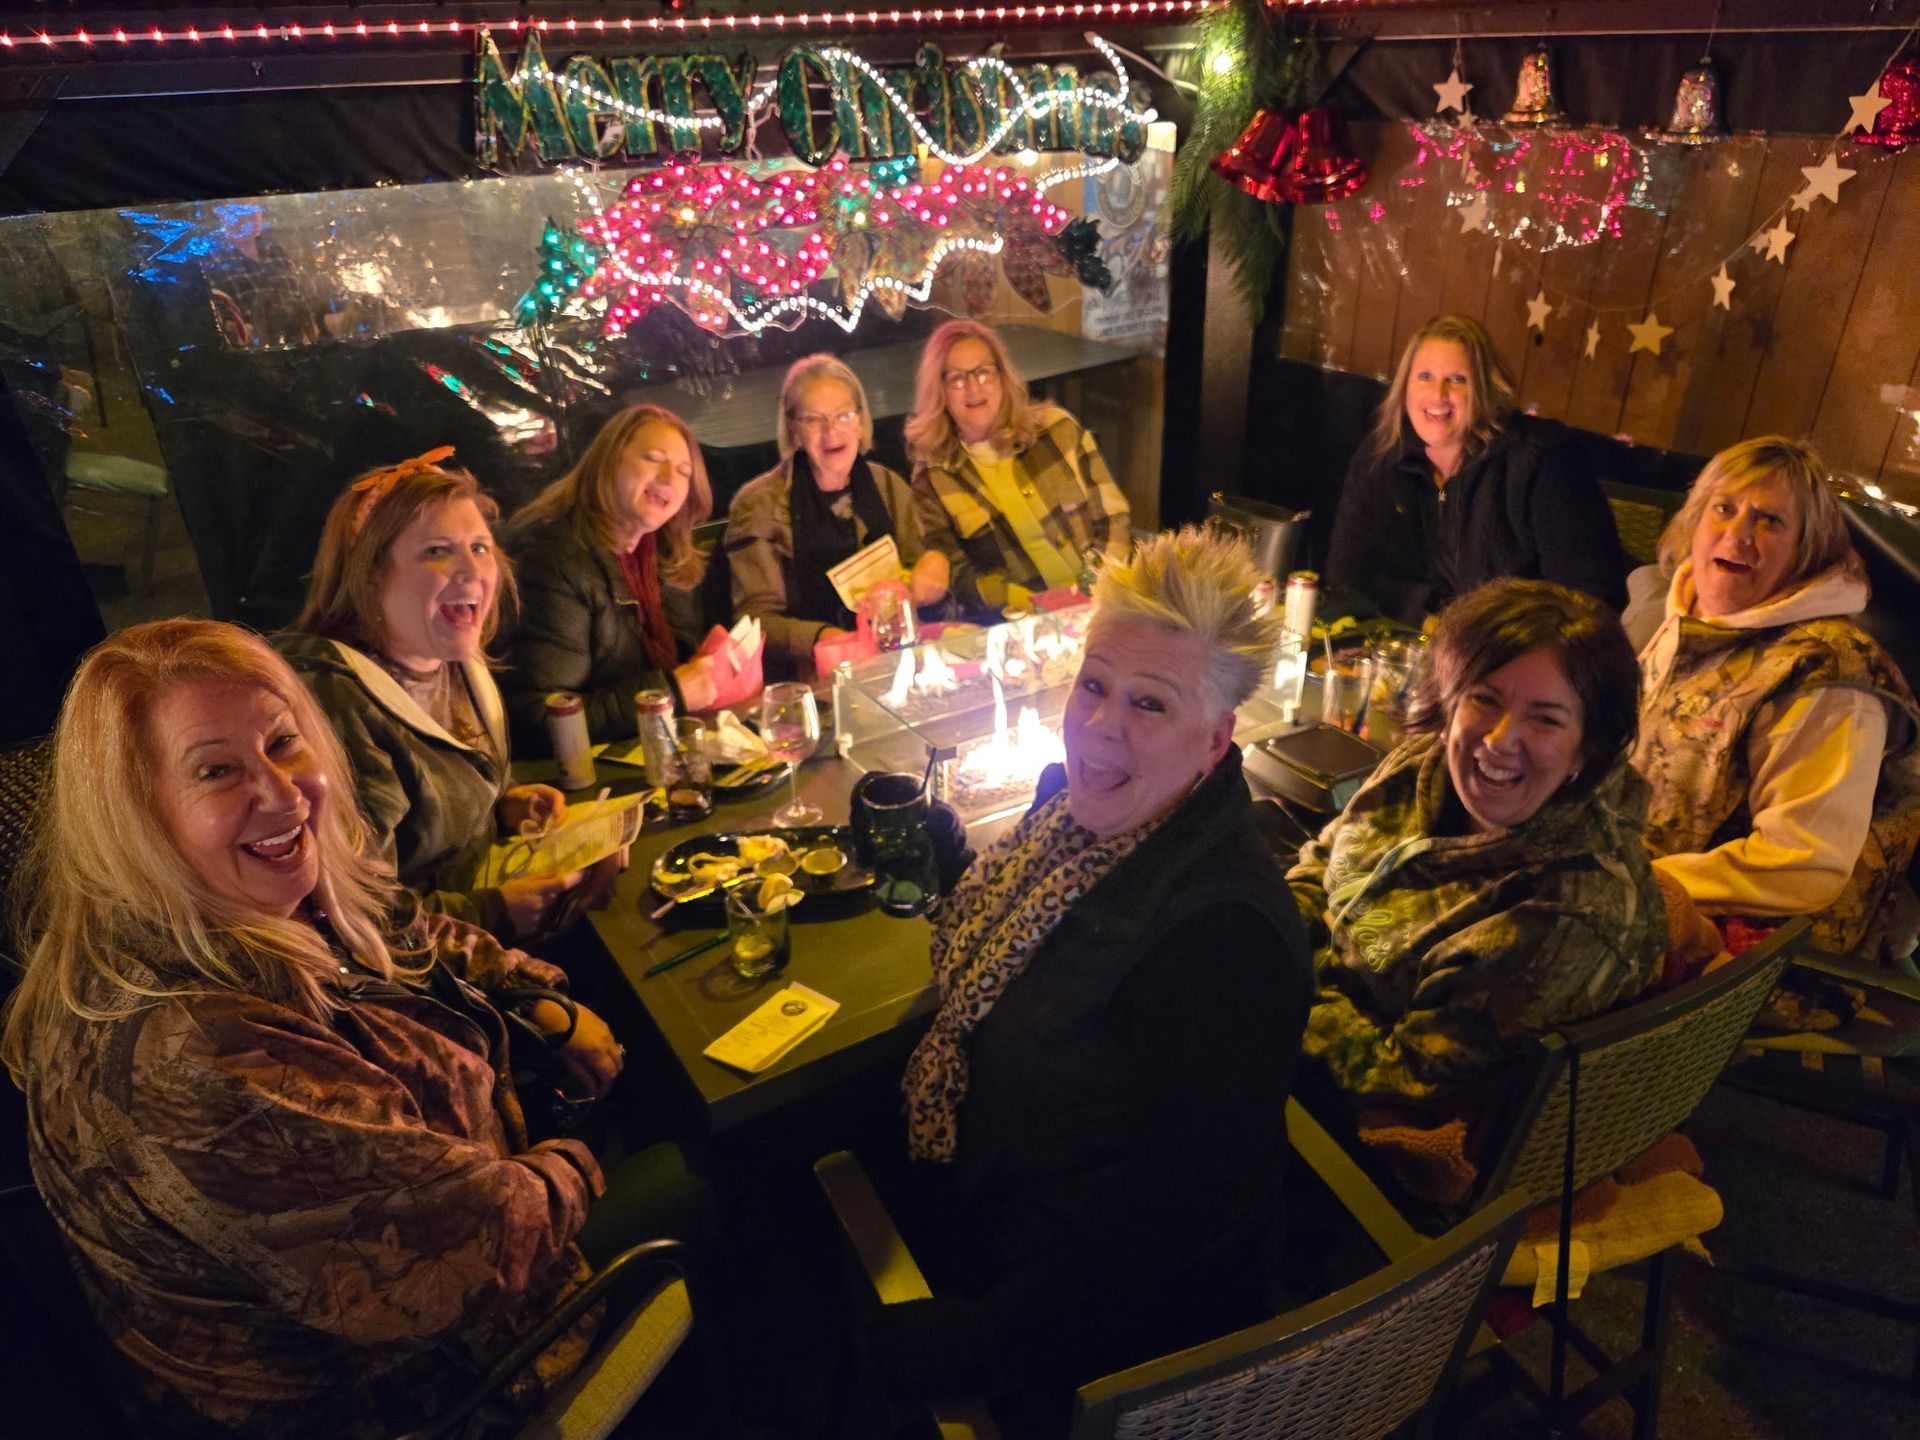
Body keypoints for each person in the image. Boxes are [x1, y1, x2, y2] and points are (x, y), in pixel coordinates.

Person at [0, 619, 647, 1439]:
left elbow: (399, 923)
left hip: (476, 1225)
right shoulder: (197, 1057)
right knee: (717, 1177)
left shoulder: (252, 890)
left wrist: (537, 1001)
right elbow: (467, 1258)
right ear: (135, 817)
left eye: (282, 742)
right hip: (431, 1393)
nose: (283, 793)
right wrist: (575, 1159)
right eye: (216, 770)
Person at [867, 526, 1313, 1423]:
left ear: (1216, 740)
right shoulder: (1074, 819)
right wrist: (948, 858)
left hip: (1075, 1336)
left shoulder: (1225, 943)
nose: (1101, 726)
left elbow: (1163, 1238)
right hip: (988, 1183)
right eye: (1095, 685)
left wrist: (973, 1340)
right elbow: (1032, 957)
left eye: (1150, 704)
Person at [1291, 579, 1666, 1206]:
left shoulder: (1563, 915)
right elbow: (1324, 861)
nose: (1498, 739)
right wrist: (1264, 940)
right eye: (1484, 699)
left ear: (1589, 746)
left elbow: (1397, 1075)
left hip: (1361, 1135)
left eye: (1545, 718)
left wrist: (1272, 996)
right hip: (1302, 1002)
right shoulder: (1422, 766)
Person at [276, 449, 601, 943]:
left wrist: (500, 808)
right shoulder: (337, 705)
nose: (472, 570)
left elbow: (436, 810)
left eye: (480, 547)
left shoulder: (453, 659)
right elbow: (355, 915)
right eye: (436, 551)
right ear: (370, 573)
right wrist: (491, 913)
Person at [1630, 436, 1920, 959]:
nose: (1738, 534)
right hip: (1635, 893)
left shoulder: (1828, 672)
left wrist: (1632, 885)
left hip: (1761, 960)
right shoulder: (1687, 624)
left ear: (1805, 551)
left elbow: (1803, 865)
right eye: (1724, 508)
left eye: (1770, 521)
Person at [1323, 314, 1626, 626]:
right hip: (1404, 642)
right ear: (1405, 388)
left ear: (1485, 390)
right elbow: (1347, 577)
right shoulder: (1380, 455)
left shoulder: (1544, 459)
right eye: (1425, 376)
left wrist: (1476, 631)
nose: (1438, 394)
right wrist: (1422, 611)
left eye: (1457, 380)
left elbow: (1587, 602)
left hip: (1515, 648)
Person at [503, 403, 761, 751]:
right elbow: (538, 717)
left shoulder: (663, 553)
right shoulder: (552, 560)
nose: (669, 478)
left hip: (652, 748)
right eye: (654, 459)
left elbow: (678, 663)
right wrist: (671, 692)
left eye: (684, 471)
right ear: (608, 461)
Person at [725, 354, 949, 676]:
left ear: (860, 420)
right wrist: (823, 639)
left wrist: (934, 566)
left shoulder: (888, 485)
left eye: (843, 415)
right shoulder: (759, 504)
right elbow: (754, 621)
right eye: (813, 419)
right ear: (794, 428)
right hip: (808, 673)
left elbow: (920, 569)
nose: (831, 431)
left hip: (895, 660)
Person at [906, 318, 1130, 618]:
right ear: (940, 390)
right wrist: (1026, 604)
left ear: (1002, 376)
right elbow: (957, 575)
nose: (974, 387)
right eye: (957, 378)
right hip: (1020, 622)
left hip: (1104, 604)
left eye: (984, 372)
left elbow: (1114, 517)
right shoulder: (932, 478)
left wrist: (1096, 588)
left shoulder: (1057, 429)